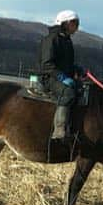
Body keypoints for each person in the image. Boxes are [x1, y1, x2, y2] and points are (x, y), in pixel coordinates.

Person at [38, 10, 85, 140]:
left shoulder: (67, 40)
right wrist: (62, 77)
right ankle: (59, 130)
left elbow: (65, 64)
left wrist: (77, 69)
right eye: (75, 23)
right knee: (68, 93)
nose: (77, 27)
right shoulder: (51, 40)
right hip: (49, 78)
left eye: (77, 23)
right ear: (65, 23)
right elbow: (46, 65)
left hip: (61, 77)